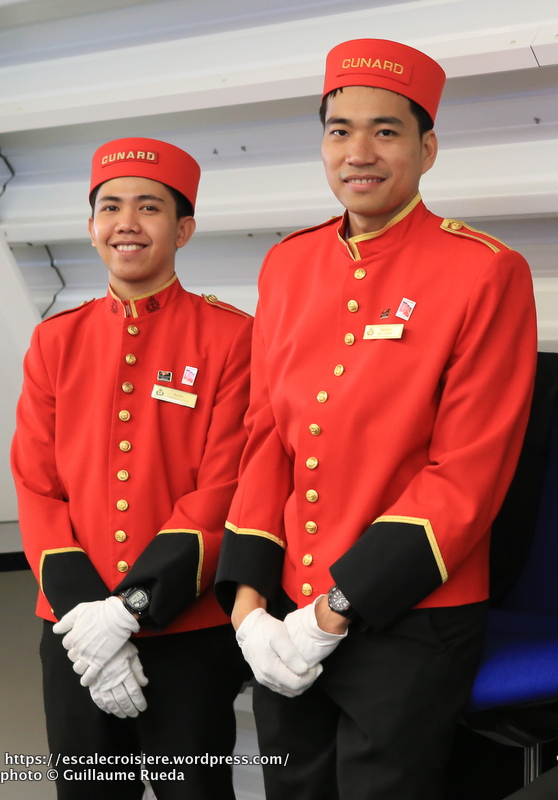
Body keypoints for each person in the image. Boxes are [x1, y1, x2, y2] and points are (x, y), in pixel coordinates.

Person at [215, 38, 538, 800]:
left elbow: (467, 475)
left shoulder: (486, 272)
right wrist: (250, 607)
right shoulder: (287, 264)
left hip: (411, 613)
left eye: (386, 131)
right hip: (288, 602)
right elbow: (267, 438)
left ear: (427, 148)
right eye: (339, 130)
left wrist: (334, 609)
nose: (358, 151)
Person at [11, 137, 253, 800]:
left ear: (183, 229)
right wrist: (92, 616)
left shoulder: (233, 338)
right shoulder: (55, 340)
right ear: (92, 230)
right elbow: (35, 484)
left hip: (187, 626)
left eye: (149, 207)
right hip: (73, 627)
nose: (127, 222)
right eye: (110, 207)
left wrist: (132, 609)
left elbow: (224, 489)